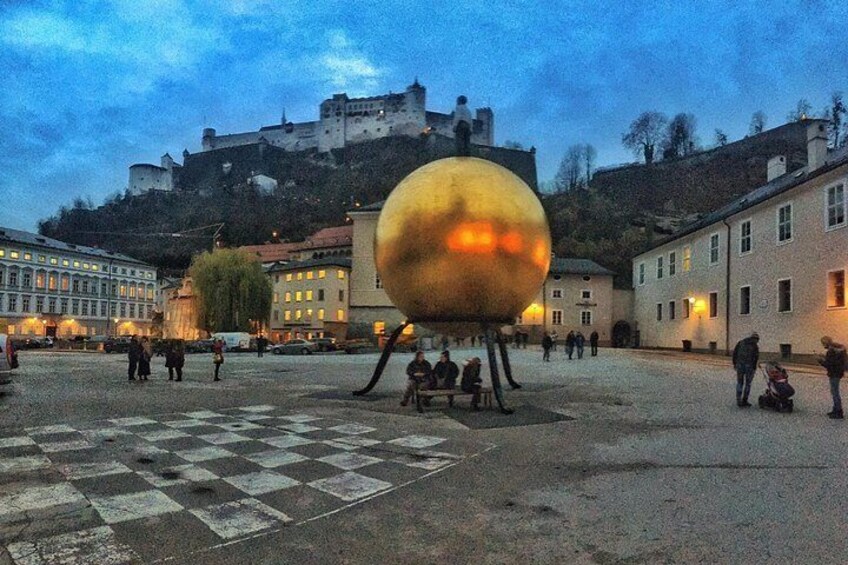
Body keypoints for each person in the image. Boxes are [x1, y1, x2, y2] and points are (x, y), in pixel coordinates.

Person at [819, 336, 847, 419]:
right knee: (835, 391)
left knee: (835, 392)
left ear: (826, 342)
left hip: (834, 373)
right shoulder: (839, 350)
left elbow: (829, 364)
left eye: (823, 343)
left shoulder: (831, 351)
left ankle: (838, 411)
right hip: (838, 373)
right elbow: (835, 362)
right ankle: (835, 409)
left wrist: (820, 360)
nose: (823, 345)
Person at [732, 332, 760, 407]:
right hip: (749, 367)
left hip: (739, 365)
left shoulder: (740, 343)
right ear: (755, 339)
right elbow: (755, 357)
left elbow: (735, 353)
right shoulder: (754, 346)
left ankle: (738, 400)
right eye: (757, 340)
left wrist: (735, 364)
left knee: (740, 383)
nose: (757, 341)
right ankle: (745, 400)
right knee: (748, 384)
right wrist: (754, 367)